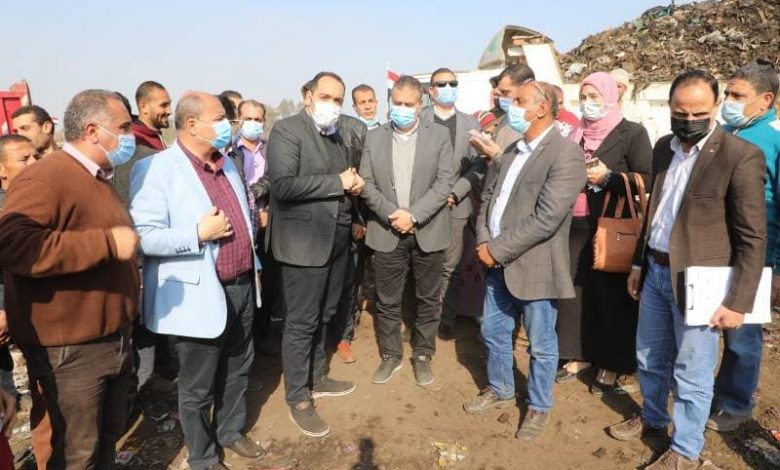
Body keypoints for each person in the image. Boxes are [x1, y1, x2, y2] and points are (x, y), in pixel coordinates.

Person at [608, 70, 767, 469]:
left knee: (692, 371)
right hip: (655, 270)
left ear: (716, 107)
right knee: (649, 356)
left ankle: (685, 450)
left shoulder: (739, 156)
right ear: (670, 108)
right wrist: (639, 262)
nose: (689, 120)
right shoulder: (664, 147)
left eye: (699, 113)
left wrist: (738, 302)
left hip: (701, 282)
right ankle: (653, 418)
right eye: (681, 113)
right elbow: (655, 212)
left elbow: (752, 237)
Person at [0, 89, 141, 469]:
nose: (130, 136)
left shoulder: (93, 177)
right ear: (93, 131)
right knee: (77, 453)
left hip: (110, 339)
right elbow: (14, 245)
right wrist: (106, 243)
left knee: (105, 440)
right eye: (124, 128)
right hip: (72, 350)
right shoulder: (46, 177)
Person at [130, 91, 264, 470]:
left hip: (242, 285)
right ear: (192, 125)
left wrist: (253, 262)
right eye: (220, 118)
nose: (229, 125)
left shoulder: (228, 163)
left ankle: (230, 431)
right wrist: (197, 234)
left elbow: (245, 217)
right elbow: (143, 236)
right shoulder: (157, 169)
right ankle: (202, 456)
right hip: (200, 294)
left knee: (238, 367)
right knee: (197, 385)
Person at [462, 79, 585, 442]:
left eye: (519, 100)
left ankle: (538, 405)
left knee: (541, 345)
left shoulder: (565, 153)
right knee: (493, 332)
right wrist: (484, 240)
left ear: (542, 108)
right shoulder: (513, 149)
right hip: (496, 263)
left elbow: (547, 218)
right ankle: (501, 388)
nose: (511, 105)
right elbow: (489, 199)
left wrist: (496, 249)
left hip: (534, 265)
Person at [266, 72, 361, 437]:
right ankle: (298, 398)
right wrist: (338, 182)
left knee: (325, 314)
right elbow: (283, 185)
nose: (332, 106)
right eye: (326, 97)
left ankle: (317, 377)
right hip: (303, 245)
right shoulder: (288, 131)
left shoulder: (334, 137)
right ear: (307, 95)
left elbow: (341, 181)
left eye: (338, 100)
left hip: (335, 240)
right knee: (302, 322)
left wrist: (352, 185)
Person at [554, 72, 652, 393]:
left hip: (612, 227)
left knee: (611, 296)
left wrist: (609, 178)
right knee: (575, 293)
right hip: (575, 224)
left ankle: (612, 362)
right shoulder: (575, 133)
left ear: (610, 97)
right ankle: (580, 353)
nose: (588, 103)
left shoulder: (632, 132)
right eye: (583, 97)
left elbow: (648, 178)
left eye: (594, 97)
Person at [360, 75, 456, 386]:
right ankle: (391, 354)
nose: (402, 109)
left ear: (420, 104)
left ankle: (423, 354)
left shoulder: (439, 135)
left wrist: (414, 216)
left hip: (428, 229)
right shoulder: (374, 138)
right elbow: (366, 183)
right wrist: (392, 215)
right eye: (397, 103)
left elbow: (445, 182)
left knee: (428, 297)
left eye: (408, 104)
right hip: (387, 230)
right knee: (387, 300)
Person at [707, 63, 780, 432]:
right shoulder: (724, 131)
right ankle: (709, 391)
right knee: (709, 321)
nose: (729, 102)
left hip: (756, 253)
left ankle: (736, 403)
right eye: (727, 94)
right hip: (716, 247)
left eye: (738, 96)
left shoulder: (775, 140)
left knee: (742, 334)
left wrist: (777, 268)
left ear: (765, 100)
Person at [418, 67, 483, 340]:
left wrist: (456, 192)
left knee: (451, 267)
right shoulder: (419, 118)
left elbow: (479, 165)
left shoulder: (471, 123)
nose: (447, 88)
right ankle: (423, 320)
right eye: (441, 84)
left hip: (457, 204)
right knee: (423, 265)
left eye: (452, 84)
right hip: (423, 204)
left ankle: (447, 318)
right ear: (431, 90)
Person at [0, 135, 39, 403]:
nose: (34, 163)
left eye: (36, 156)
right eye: (24, 159)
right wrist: (3, 308)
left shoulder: (42, 198)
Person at [332, 113, 369, 364]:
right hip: (316, 228)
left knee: (348, 284)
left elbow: (363, 183)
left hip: (348, 223)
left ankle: (343, 337)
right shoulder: (299, 134)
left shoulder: (353, 129)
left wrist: (359, 219)